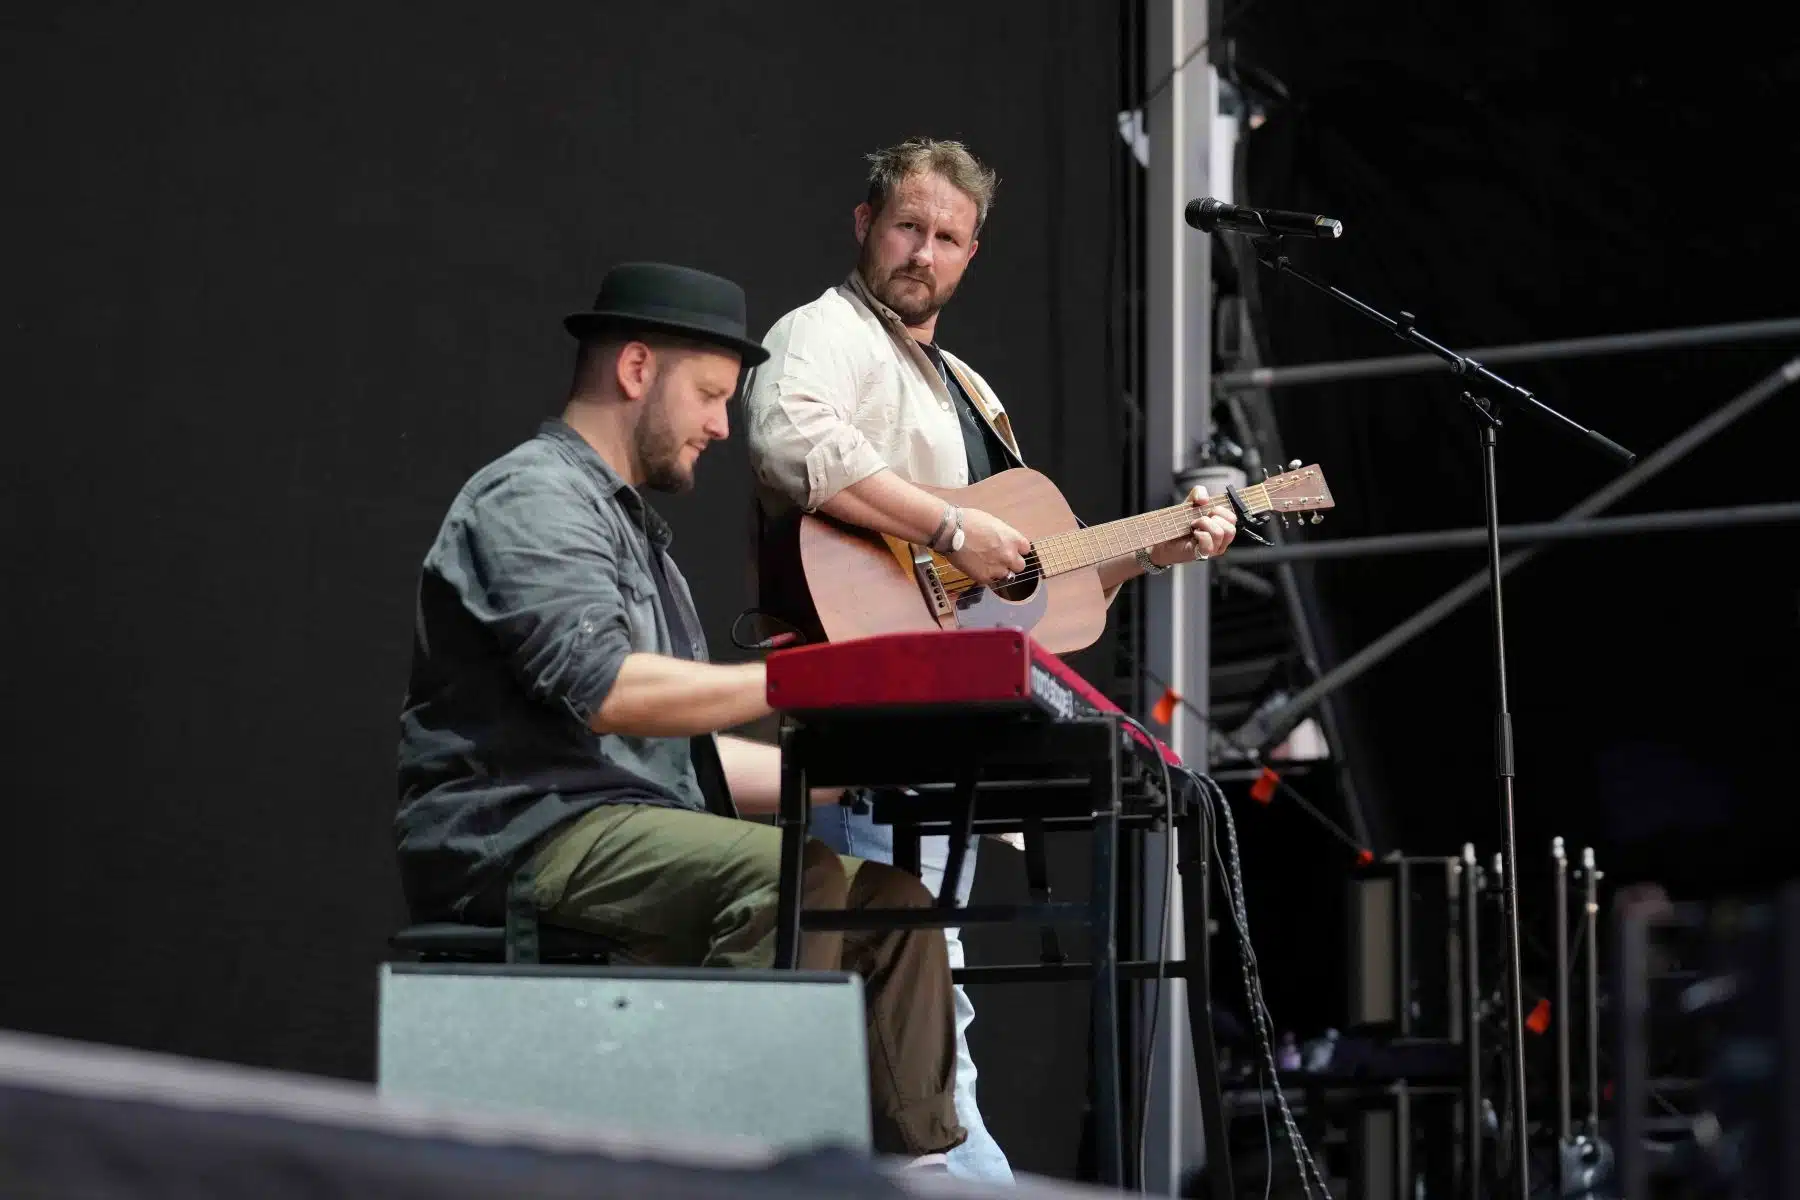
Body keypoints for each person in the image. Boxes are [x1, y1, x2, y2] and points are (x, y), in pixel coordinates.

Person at [744, 138, 1238, 1183]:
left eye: (948, 238)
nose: (923, 253)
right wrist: (948, 527)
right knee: (907, 1035)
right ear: (865, 221)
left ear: (974, 253)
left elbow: (1033, 599)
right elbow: (791, 440)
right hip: (870, 733)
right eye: (908, 226)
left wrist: (1150, 549)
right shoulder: (820, 334)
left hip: (948, 751)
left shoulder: (966, 386)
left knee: (927, 1018)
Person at [395, 262, 965, 1167]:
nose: (719, 426)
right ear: (634, 371)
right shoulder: (531, 496)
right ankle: (723, 1172)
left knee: (893, 903)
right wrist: (806, 681)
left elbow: (684, 764)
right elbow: (612, 691)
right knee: (793, 878)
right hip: (521, 838)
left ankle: (915, 1175)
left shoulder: (638, 540)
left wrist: (881, 758)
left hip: (620, 827)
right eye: (708, 395)